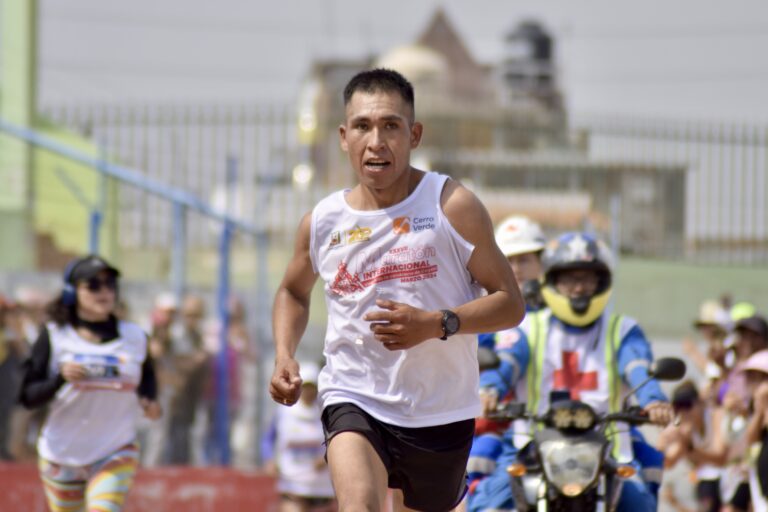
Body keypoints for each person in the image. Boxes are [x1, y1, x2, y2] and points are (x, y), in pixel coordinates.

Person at [269, 68, 525, 512]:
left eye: (391, 126)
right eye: (364, 127)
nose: (377, 141)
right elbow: (292, 292)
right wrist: (284, 353)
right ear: (344, 137)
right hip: (354, 393)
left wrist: (436, 324)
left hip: (439, 408)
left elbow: (510, 303)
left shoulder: (450, 205)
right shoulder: (323, 222)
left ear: (415, 134)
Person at [468, 231, 673, 512]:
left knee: (641, 505)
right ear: (552, 282)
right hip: (531, 447)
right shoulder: (527, 327)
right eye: (569, 279)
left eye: (587, 279)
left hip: (609, 451)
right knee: (487, 506)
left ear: (601, 282)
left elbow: (637, 366)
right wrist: (488, 391)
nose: (578, 288)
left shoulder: (623, 330)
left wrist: (654, 400)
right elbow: (507, 363)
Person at [17, 255, 161, 512]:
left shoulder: (134, 336)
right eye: (93, 285)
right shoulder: (55, 335)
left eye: (110, 284)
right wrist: (60, 379)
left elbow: (147, 377)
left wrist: (149, 401)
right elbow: (28, 396)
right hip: (62, 452)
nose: (104, 291)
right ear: (72, 291)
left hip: (115, 447)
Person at [263, 361, 336, 512]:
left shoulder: (327, 411)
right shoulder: (284, 411)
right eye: (306, 387)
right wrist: (269, 459)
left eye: (312, 387)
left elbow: (339, 439)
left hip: (321, 486)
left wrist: (327, 457)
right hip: (292, 482)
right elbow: (268, 439)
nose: (309, 391)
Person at [492, 215, 546, 312]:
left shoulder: (562, 313)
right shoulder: (487, 315)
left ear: (541, 262)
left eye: (523, 260)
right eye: (507, 261)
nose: (516, 269)